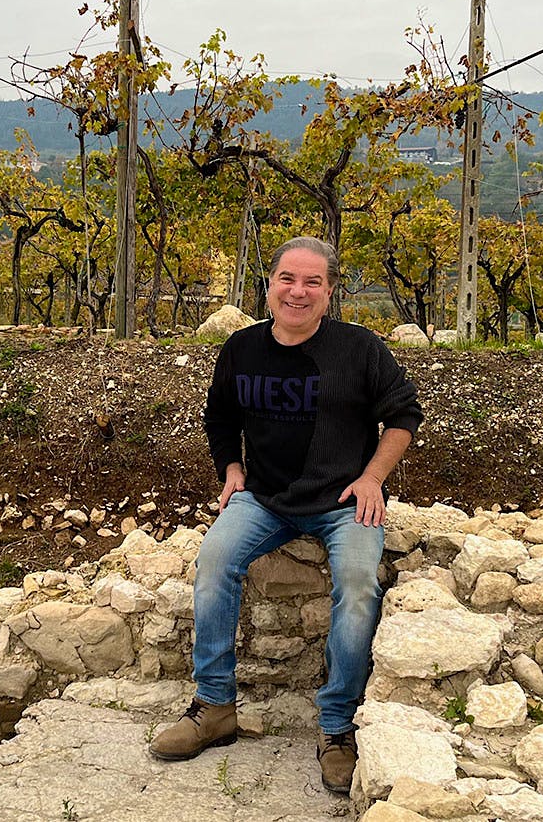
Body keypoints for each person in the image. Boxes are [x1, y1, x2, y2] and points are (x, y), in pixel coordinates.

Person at [149, 236, 424, 794]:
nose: (298, 292)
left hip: (345, 501)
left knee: (357, 584)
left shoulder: (361, 349)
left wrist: (372, 478)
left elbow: (403, 418)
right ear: (270, 284)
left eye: (312, 282)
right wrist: (230, 470)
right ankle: (215, 706)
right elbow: (220, 418)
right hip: (265, 498)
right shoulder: (241, 349)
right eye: (288, 280)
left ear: (329, 292)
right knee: (213, 563)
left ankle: (337, 727)